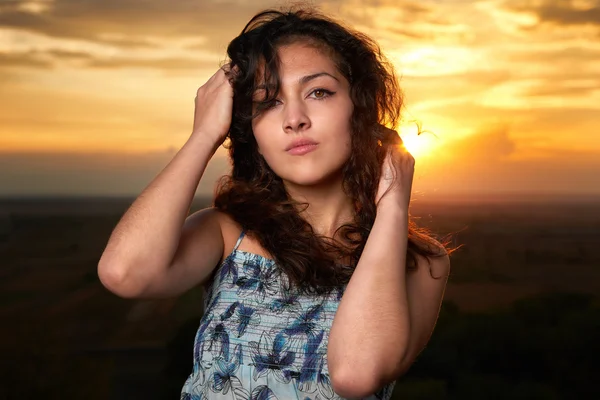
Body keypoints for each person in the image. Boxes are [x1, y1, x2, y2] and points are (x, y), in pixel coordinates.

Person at [98, 7, 454, 400]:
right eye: (267, 102)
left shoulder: (422, 263)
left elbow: (356, 375)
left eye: (319, 91)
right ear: (250, 129)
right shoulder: (227, 233)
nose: (294, 119)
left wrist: (392, 204)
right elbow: (124, 273)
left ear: (361, 107)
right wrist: (204, 134)